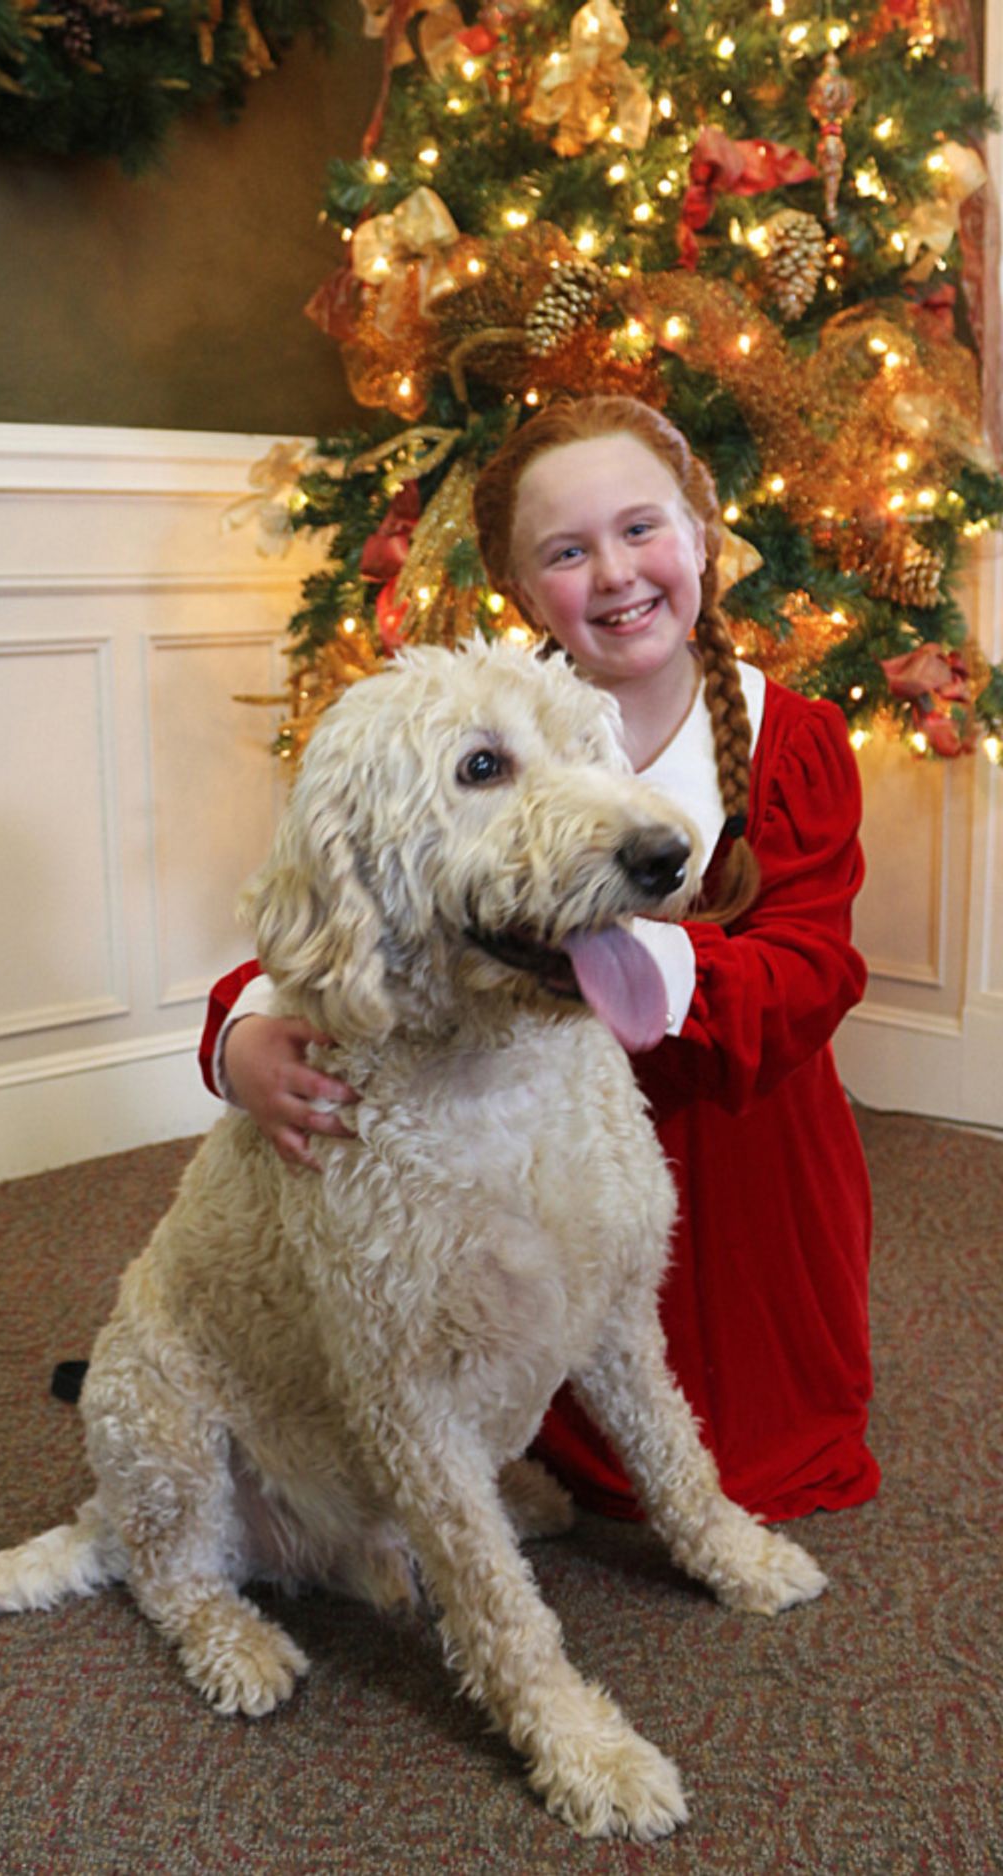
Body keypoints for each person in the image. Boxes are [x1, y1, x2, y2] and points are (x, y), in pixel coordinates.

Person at [197, 393, 881, 1525]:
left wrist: (632, 966)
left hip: (739, 1155)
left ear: (704, 537)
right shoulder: (463, 737)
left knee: (763, 1458)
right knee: (537, 1421)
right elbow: (345, 895)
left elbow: (808, 970)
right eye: (568, 551)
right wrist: (245, 1031)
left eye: (642, 529)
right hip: (525, 1154)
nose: (614, 573)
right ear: (522, 592)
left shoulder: (790, 740)